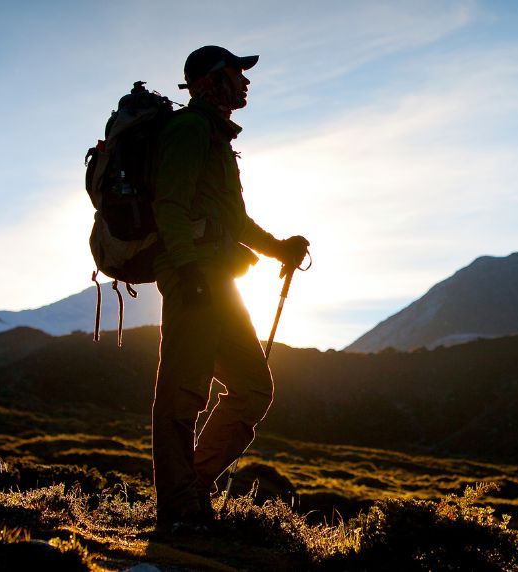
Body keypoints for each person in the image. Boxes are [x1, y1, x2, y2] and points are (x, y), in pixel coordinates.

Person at [150, 45, 309, 533]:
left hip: (218, 281)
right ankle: (179, 509)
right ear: (209, 82)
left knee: (253, 388)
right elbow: (168, 205)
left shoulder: (215, 139)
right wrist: (190, 271)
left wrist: (279, 248)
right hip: (196, 281)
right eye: (235, 74)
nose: (244, 82)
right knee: (183, 393)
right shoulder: (190, 130)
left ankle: (191, 491)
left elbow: (233, 220)